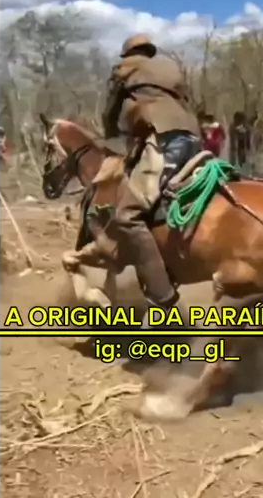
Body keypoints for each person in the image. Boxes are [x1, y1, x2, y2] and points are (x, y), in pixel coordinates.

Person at [98, 34, 201, 321]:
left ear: (127, 52)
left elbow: (111, 110)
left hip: (164, 138)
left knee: (127, 216)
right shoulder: (170, 67)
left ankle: (163, 296)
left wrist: (110, 133)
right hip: (193, 136)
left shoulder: (124, 69)